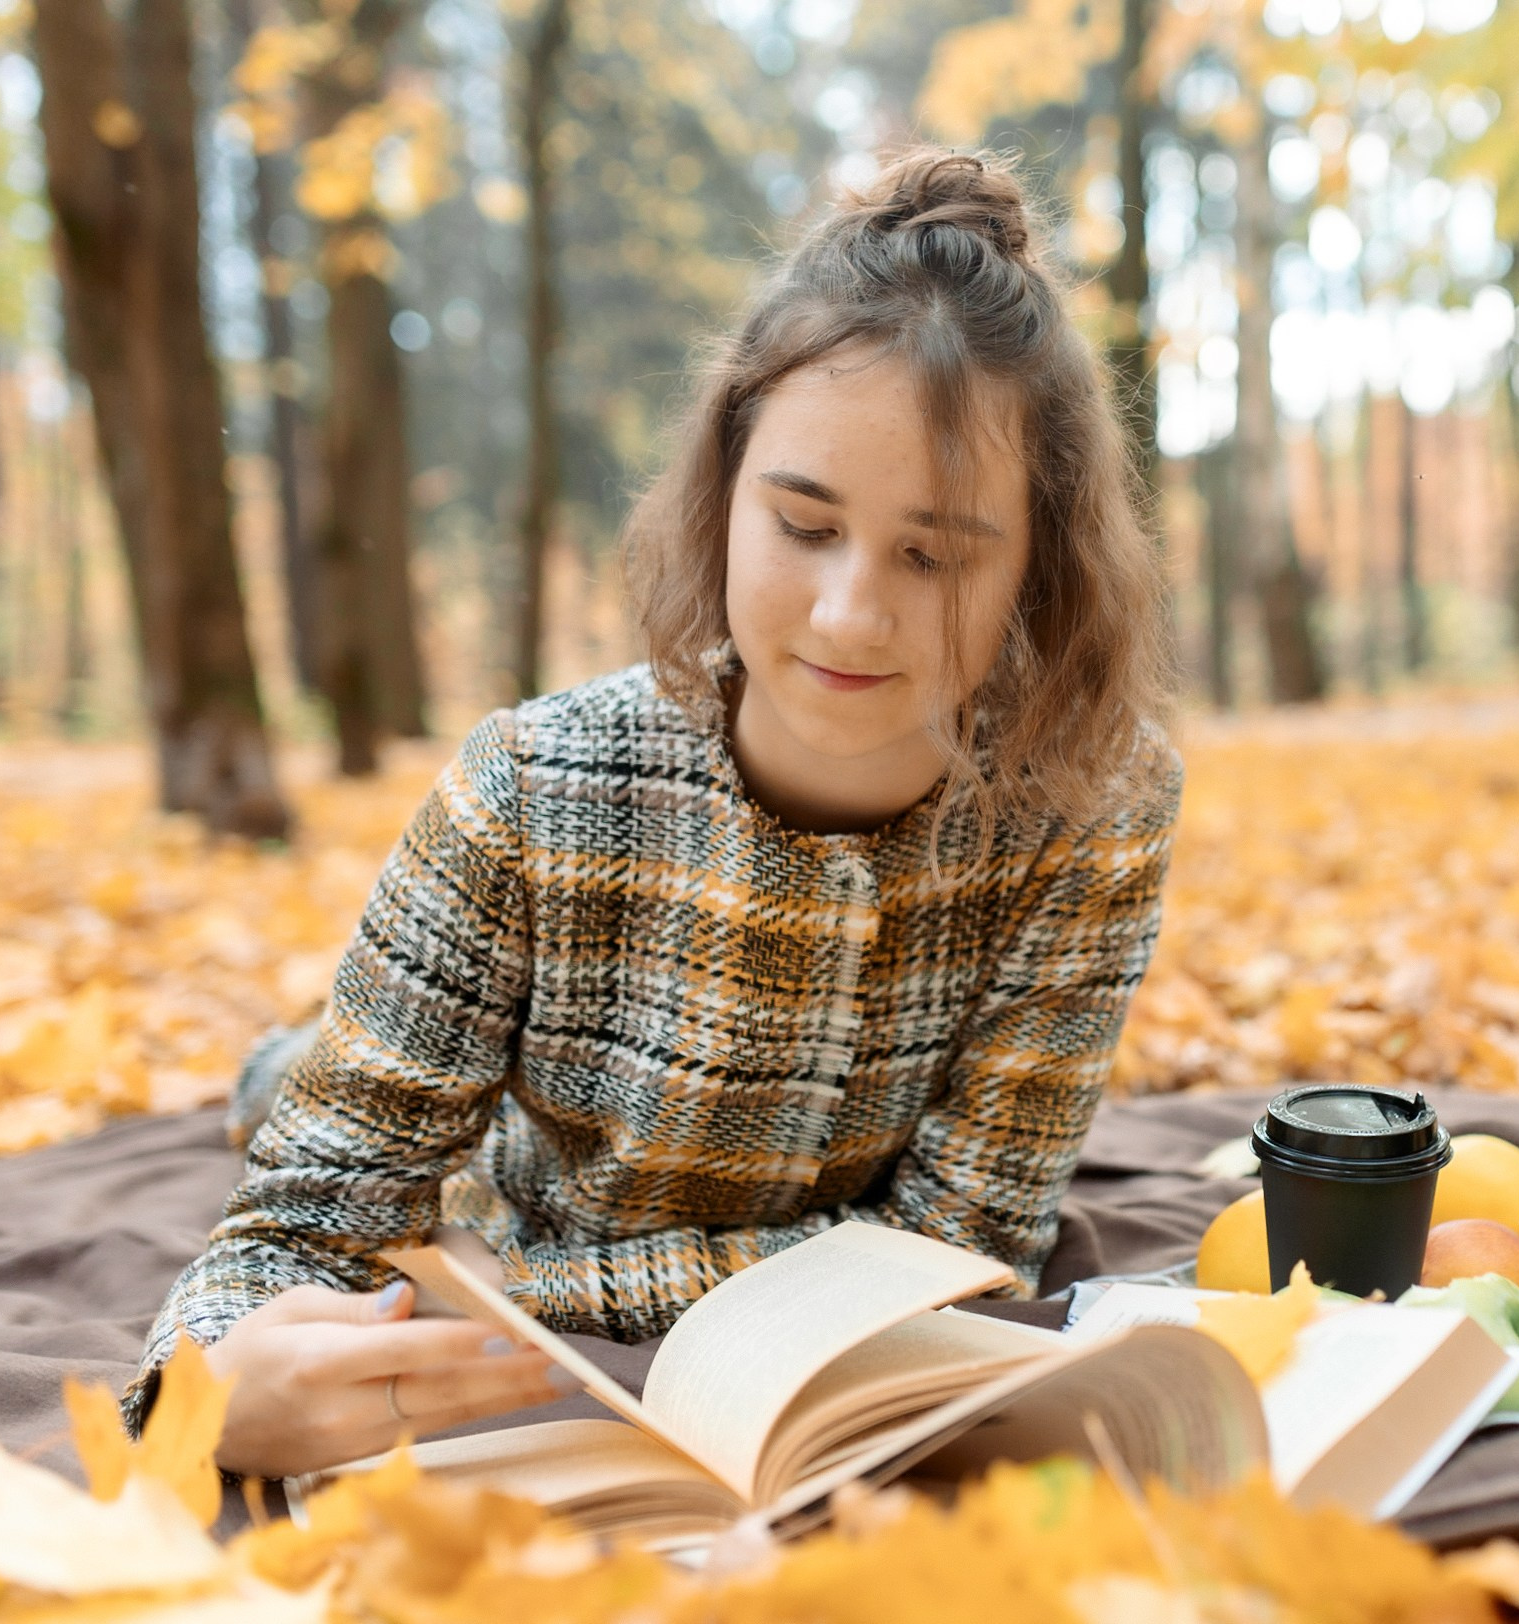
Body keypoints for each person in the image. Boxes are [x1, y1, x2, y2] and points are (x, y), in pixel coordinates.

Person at [134, 149, 1180, 1478]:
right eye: (804, 527)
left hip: (546, 1250)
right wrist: (210, 1384)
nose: (853, 613)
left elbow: (962, 1247)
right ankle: (282, 1060)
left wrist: (513, 1286)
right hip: (505, 1146)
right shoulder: (528, 790)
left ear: (1040, 565)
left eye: (934, 555)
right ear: (724, 492)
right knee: (310, 1090)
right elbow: (296, 1229)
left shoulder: (1100, 806)